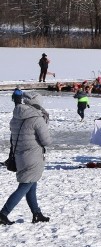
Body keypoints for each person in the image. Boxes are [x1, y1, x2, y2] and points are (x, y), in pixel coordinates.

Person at [1, 90, 51, 225]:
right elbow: (46, 141)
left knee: (31, 184)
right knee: (25, 185)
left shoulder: (16, 116)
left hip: (19, 155)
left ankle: (36, 213)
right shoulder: (37, 118)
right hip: (33, 156)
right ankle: (3, 213)